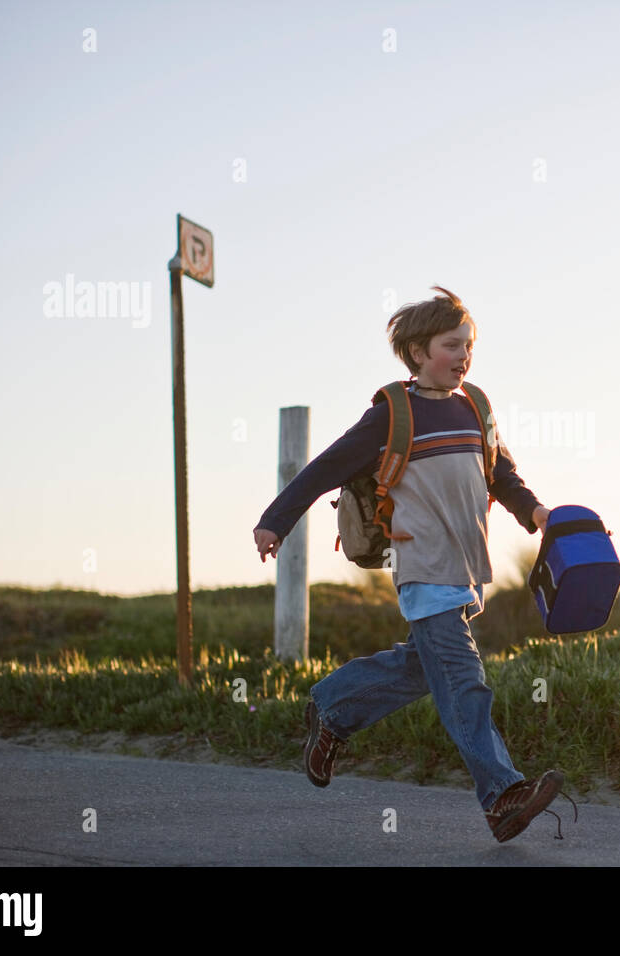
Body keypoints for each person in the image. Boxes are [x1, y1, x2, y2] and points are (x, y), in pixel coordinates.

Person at [252, 286, 570, 843]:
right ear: (419, 352)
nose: (464, 356)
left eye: (469, 345)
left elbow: (502, 476)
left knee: (422, 670)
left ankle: (332, 708)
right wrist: (276, 520)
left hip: (468, 573)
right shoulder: (391, 415)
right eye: (453, 345)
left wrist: (537, 512)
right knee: (465, 683)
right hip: (423, 570)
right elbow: (324, 469)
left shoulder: (476, 406)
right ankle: (501, 796)